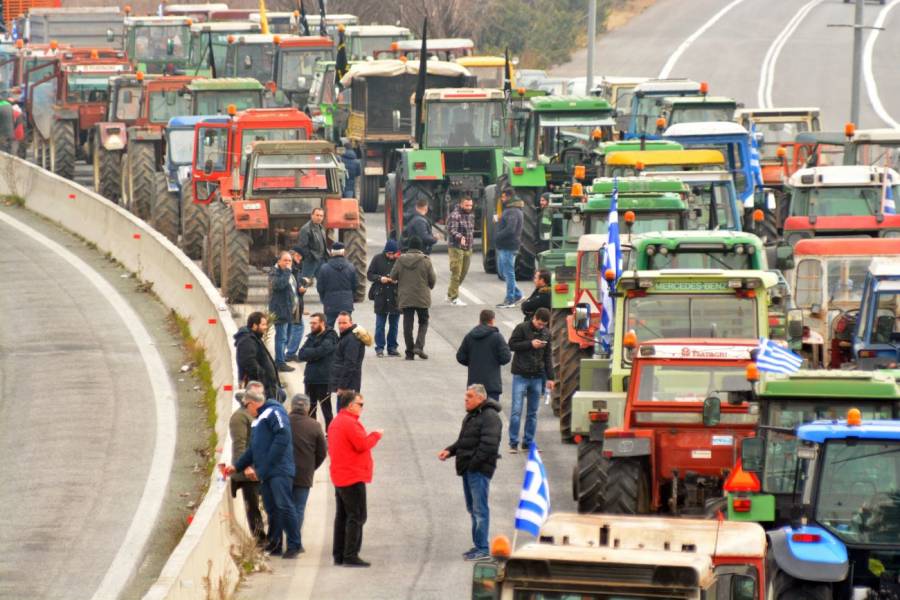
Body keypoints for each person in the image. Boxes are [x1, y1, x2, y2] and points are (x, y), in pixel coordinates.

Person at [225, 386, 302, 558]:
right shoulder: (258, 420)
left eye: (246, 406)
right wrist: (238, 466)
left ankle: (294, 544)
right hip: (267, 473)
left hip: (279, 471)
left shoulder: (274, 412)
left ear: (252, 404)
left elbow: (283, 437)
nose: (245, 409)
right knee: (272, 508)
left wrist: (267, 464)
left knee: (284, 506)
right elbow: (253, 450)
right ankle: (275, 544)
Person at [438, 384, 502, 561]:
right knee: (473, 509)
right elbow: (464, 441)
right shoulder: (473, 416)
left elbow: (488, 446)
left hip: (478, 471)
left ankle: (483, 548)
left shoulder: (490, 417)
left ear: (480, 398)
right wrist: (450, 451)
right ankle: (478, 545)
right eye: (466, 396)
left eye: (469, 397)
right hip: (469, 470)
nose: (465, 400)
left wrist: (473, 465)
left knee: (480, 510)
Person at [328, 390, 383, 567]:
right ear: (350, 405)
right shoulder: (349, 423)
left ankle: (339, 554)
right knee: (356, 516)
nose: (362, 408)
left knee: (343, 516)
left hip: (341, 474)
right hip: (352, 475)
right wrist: (376, 435)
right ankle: (350, 554)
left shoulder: (337, 422)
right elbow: (362, 445)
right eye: (360, 404)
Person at [507, 307, 555, 453]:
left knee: (532, 413)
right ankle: (513, 442)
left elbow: (547, 357)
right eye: (539, 324)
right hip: (520, 375)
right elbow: (512, 345)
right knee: (516, 411)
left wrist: (550, 378)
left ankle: (528, 442)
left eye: (544, 325)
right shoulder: (521, 328)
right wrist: (530, 344)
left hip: (537, 377)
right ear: (534, 318)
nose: (541, 327)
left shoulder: (546, 333)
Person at [288, 393, 327, 553]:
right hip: (304, 472)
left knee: (283, 507)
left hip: (283, 472)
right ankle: (294, 542)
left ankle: (285, 541)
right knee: (298, 508)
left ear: (291, 406)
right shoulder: (314, 425)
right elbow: (322, 452)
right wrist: (312, 467)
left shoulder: (283, 422)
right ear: (307, 408)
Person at [229, 386, 266, 546]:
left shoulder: (251, 415)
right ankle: (260, 539)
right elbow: (240, 445)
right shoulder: (239, 418)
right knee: (253, 507)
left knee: (262, 505)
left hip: (258, 468)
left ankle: (264, 537)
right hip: (248, 472)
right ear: (250, 403)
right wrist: (245, 467)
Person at [390, 236, 436, 360]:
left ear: (409, 247)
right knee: (423, 322)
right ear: (420, 247)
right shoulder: (426, 260)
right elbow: (432, 279)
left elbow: (393, 276)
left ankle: (409, 352)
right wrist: (430, 286)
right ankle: (419, 347)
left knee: (407, 325)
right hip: (422, 297)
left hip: (406, 298)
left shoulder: (400, 260)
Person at [456, 310, 512, 401]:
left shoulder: (470, 336)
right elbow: (506, 357)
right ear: (492, 320)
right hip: (491, 384)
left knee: (475, 413)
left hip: (474, 384)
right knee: (490, 413)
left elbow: (460, 357)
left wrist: (472, 362)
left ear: (480, 320)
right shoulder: (497, 337)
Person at [297, 313, 339, 429]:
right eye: (311, 323)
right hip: (310, 379)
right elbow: (301, 354)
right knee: (310, 409)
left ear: (322, 323)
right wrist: (314, 353)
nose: (312, 325)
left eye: (314, 323)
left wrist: (312, 353)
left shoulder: (331, 336)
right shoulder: (311, 336)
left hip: (324, 379)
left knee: (326, 408)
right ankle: (312, 432)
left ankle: (330, 433)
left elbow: (322, 351)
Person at [234, 311, 282, 402]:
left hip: (266, 387)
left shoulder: (254, 337)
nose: (266, 327)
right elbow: (249, 363)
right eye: (263, 325)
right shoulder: (247, 341)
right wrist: (264, 378)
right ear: (255, 326)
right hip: (259, 389)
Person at [366, 240, 401, 357]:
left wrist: (396, 280)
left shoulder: (399, 261)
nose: (391, 256)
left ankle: (392, 347)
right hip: (380, 296)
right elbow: (370, 274)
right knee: (380, 325)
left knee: (394, 325)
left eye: (393, 254)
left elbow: (404, 276)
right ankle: (379, 348)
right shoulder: (377, 259)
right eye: (388, 253)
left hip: (395, 296)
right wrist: (380, 278)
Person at [269, 251, 300, 373]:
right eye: (285, 260)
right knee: (281, 338)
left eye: (289, 261)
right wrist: (287, 271)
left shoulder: (289, 273)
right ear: (279, 261)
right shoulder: (275, 273)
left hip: (289, 310)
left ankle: (282, 358)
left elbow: (292, 290)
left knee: (287, 337)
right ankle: (280, 362)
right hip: (280, 310)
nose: (288, 263)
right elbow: (279, 285)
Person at [494, 189, 524, 308]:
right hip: (506, 245)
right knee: (504, 272)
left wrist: (498, 235)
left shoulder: (512, 211)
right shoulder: (512, 210)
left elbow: (511, 229)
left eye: (503, 197)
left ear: (509, 197)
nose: (502, 199)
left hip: (508, 245)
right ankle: (518, 294)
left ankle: (510, 299)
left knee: (509, 273)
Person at [317, 242, 357, 328]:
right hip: (346, 304)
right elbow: (355, 286)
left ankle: (330, 341)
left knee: (328, 328)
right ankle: (346, 341)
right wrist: (350, 298)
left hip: (330, 303)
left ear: (331, 253)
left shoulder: (324, 268)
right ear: (343, 252)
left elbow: (320, 287)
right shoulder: (351, 267)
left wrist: (324, 300)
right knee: (346, 328)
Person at [331, 312, 371, 394]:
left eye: (344, 323)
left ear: (351, 323)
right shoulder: (346, 336)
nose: (341, 326)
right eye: (339, 323)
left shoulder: (351, 340)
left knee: (347, 406)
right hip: (347, 385)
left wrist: (342, 386)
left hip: (349, 387)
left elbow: (350, 365)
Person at [446, 196, 475, 305]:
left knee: (463, 273)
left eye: (471, 205)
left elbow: (471, 231)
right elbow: (451, 229)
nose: (469, 207)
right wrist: (460, 237)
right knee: (456, 273)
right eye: (467, 205)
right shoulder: (455, 215)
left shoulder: (471, 214)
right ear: (461, 204)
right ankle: (454, 298)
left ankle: (450, 293)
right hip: (456, 247)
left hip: (468, 248)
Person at [285, 248, 309, 362]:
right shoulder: (292, 268)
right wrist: (301, 288)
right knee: (298, 327)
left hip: (291, 303)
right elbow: (294, 287)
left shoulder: (292, 267)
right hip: (293, 303)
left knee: (290, 327)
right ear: (293, 255)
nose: (300, 259)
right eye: (299, 256)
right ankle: (290, 353)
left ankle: (287, 352)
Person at [297, 207, 328, 278]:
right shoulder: (306, 229)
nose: (319, 218)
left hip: (321, 260)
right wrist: (311, 257)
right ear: (312, 215)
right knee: (304, 283)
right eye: (317, 215)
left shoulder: (321, 227)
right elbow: (302, 246)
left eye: (321, 216)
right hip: (311, 261)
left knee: (323, 282)